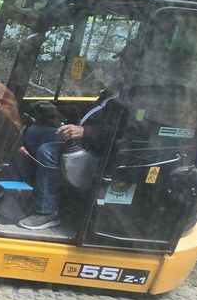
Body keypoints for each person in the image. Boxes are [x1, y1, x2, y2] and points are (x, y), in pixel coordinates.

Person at [17, 36, 140, 230]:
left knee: (48, 151)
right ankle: (32, 193)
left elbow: (124, 133)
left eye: (127, 61)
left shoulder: (138, 99)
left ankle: (47, 211)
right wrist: (58, 112)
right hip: (89, 140)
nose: (121, 65)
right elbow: (91, 114)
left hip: (105, 155)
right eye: (122, 60)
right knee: (35, 132)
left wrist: (86, 131)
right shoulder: (115, 90)